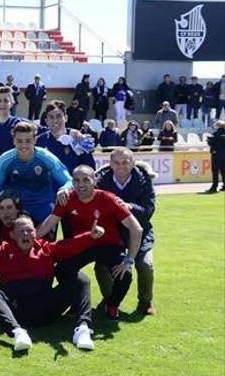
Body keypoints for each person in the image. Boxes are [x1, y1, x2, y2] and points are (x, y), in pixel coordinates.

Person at [0, 214, 101, 352]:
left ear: (35, 233)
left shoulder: (47, 250)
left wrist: (90, 236)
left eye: (30, 230)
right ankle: (17, 332)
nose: (26, 234)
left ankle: (83, 330)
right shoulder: (2, 251)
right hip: (17, 312)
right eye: (21, 231)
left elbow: (69, 246)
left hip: (47, 310)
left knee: (81, 279)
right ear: (12, 234)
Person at [36, 165, 143, 320]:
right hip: (83, 244)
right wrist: (28, 241)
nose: (81, 184)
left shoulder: (108, 199)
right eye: (76, 180)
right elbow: (48, 224)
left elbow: (136, 229)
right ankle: (74, 298)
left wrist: (129, 260)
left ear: (94, 181)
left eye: (86, 180)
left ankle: (112, 305)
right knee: (62, 269)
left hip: (109, 245)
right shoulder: (67, 199)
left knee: (124, 274)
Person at [96, 148, 158, 315]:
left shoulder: (144, 180)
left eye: (125, 162)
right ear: (110, 164)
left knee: (145, 265)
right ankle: (109, 300)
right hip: (112, 235)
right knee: (101, 266)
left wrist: (128, 207)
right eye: (116, 162)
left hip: (141, 233)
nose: (121, 166)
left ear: (132, 162)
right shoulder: (100, 182)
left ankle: (145, 302)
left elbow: (148, 210)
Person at [0, 122, 72, 224]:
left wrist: (65, 189)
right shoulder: (5, 160)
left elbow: (68, 180)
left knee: (45, 239)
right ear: (13, 141)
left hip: (43, 204)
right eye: (19, 141)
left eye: (28, 141)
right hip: (17, 205)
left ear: (35, 140)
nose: (23, 145)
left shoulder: (47, 158)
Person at [35, 101, 96, 173]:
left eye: (58, 116)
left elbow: (90, 168)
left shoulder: (79, 139)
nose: (55, 120)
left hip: (74, 183)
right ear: (46, 121)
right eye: (51, 117)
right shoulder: (39, 142)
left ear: (66, 118)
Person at [207, 120, 225, 193]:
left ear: (218, 126)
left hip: (216, 154)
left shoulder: (215, 133)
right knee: (224, 171)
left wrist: (208, 140)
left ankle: (214, 187)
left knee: (215, 171)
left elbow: (211, 143)